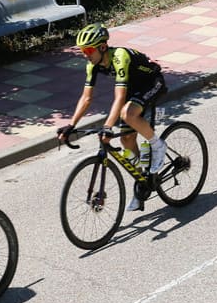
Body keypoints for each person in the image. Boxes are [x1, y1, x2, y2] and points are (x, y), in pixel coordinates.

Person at [58, 23, 168, 210]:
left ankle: (158, 146)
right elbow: (86, 98)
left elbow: (120, 97)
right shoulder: (92, 66)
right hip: (134, 88)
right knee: (126, 139)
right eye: (83, 51)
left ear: (102, 47)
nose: (86, 54)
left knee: (128, 113)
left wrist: (108, 126)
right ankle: (142, 181)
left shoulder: (119, 57)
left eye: (89, 50)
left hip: (151, 83)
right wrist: (71, 125)